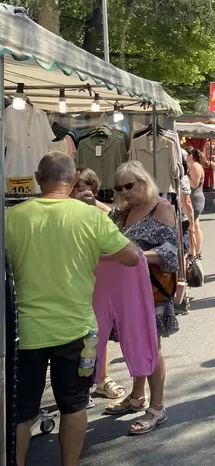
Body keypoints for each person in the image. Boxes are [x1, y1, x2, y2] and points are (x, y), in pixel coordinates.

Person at [5, 153, 140, 465]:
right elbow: (131, 257)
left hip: (24, 331)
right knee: (75, 404)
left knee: (21, 409)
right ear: (72, 181)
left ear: (39, 178)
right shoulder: (89, 217)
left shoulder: (12, 217)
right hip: (76, 330)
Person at [103, 161, 181, 435]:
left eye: (129, 185)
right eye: (118, 188)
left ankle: (157, 408)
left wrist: (133, 256)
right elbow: (103, 226)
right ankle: (138, 395)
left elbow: (171, 253)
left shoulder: (162, 207)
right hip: (127, 293)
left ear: (143, 181)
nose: (124, 192)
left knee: (149, 347)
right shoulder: (125, 211)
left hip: (151, 291)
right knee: (135, 344)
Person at [69, 167, 133, 399]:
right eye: (73, 187)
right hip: (73, 278)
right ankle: (83, 382)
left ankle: (101, 377)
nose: (76, 192)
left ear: (92, 190)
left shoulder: (105, 213)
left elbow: (121, 249)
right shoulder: (65, 212)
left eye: (81, 188)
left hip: (99, 280)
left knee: (97, 331)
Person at [186, 147, 206, 258]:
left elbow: (194, 184)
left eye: (187, 155)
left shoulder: (195, 166)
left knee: (191, 226)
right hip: (194, 198)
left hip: (195, 199)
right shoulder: (193, 166)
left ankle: (193, 252)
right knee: (196, 225)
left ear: (191, 156)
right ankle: (197, 251)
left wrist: (185, 175)